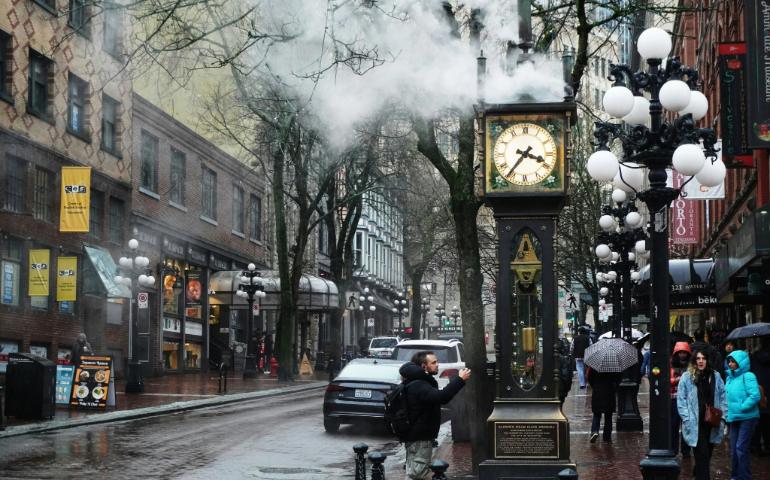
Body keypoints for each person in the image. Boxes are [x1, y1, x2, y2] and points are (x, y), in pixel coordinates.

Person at [399, 351, 470, 479]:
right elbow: (441, 397)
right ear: (423, 366)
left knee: (415, 471)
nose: (437, 365)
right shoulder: (420, 385)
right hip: (420, 439)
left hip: (417, 437)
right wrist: (459, 380)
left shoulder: (417, 382)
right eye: (434, 362)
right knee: (417, 473)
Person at [677, 350, 726, 480]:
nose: (701, 361)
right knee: (703, 455)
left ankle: (698, 471)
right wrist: (686, 419)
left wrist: (723, 417)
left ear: (707, 360)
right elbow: (681, 400)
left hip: (712, 421)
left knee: (707, 455)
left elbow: (723, 397)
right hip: (695, 423)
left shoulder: (715, 376)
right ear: (694, 361)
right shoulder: (687, 377)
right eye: (698, 358)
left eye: (703, 358)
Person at [725, 350, 761, 480]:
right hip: (734, 417)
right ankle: (735, 476)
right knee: (734, 450)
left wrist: (742, 407)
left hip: (748, 417)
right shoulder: (729, 378)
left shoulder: (748, 376)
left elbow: (755, 395)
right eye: (729, 361)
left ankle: (745, 477)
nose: (730, 364)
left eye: (734, 361)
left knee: (740, 448)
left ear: (741, 362)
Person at [587, 367, 621, 442]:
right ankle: (607, 436)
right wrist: (615, 387)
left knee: (597, 414)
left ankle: (594, 431)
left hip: (598, 391)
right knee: (608, 416)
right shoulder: (614, 366)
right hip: (609, 392)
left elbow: (589, 377)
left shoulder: (595, 365)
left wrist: (594, 385)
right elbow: (619, 378)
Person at [671, 341, 692, 458]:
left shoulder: (691, 365)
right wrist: (677, 380)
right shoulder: (671, 365)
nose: (682, 355)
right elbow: (668, 380)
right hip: (674, 398)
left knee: (687, 425)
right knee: (674, 425)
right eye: (680, 352)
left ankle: (686, 450)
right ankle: (673, 449)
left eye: (684, 352)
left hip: (688, 399)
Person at [750, 338, 770, 455]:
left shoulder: (754, 357)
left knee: (757, 420)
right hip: (767, 390)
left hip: (757, 389)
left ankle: (756, 446)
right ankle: (768, 445)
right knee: (767, 421)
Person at [556, 337, 573, 406]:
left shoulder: (545, 358)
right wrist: (566, 389)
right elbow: (566, 376)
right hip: (560, 390)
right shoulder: (563, 359)